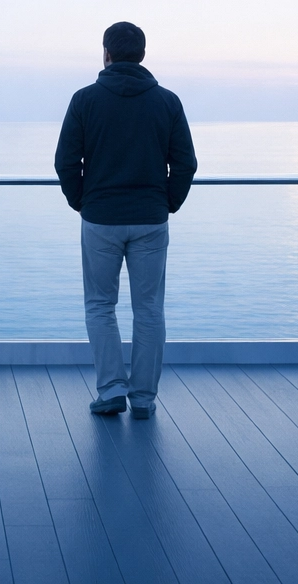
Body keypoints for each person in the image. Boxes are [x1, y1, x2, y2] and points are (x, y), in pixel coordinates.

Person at [55, 22, 197, 417]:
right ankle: (144, 399)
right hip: (150, 220)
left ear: (106, 53)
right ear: (143, 54)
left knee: (100, 306)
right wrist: (167, 203)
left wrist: (82, 202)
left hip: (101, 219)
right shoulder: (167, 102)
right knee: (149, 310)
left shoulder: (85, 100)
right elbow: (186, 163)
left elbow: (65, 162)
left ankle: (111, 389)